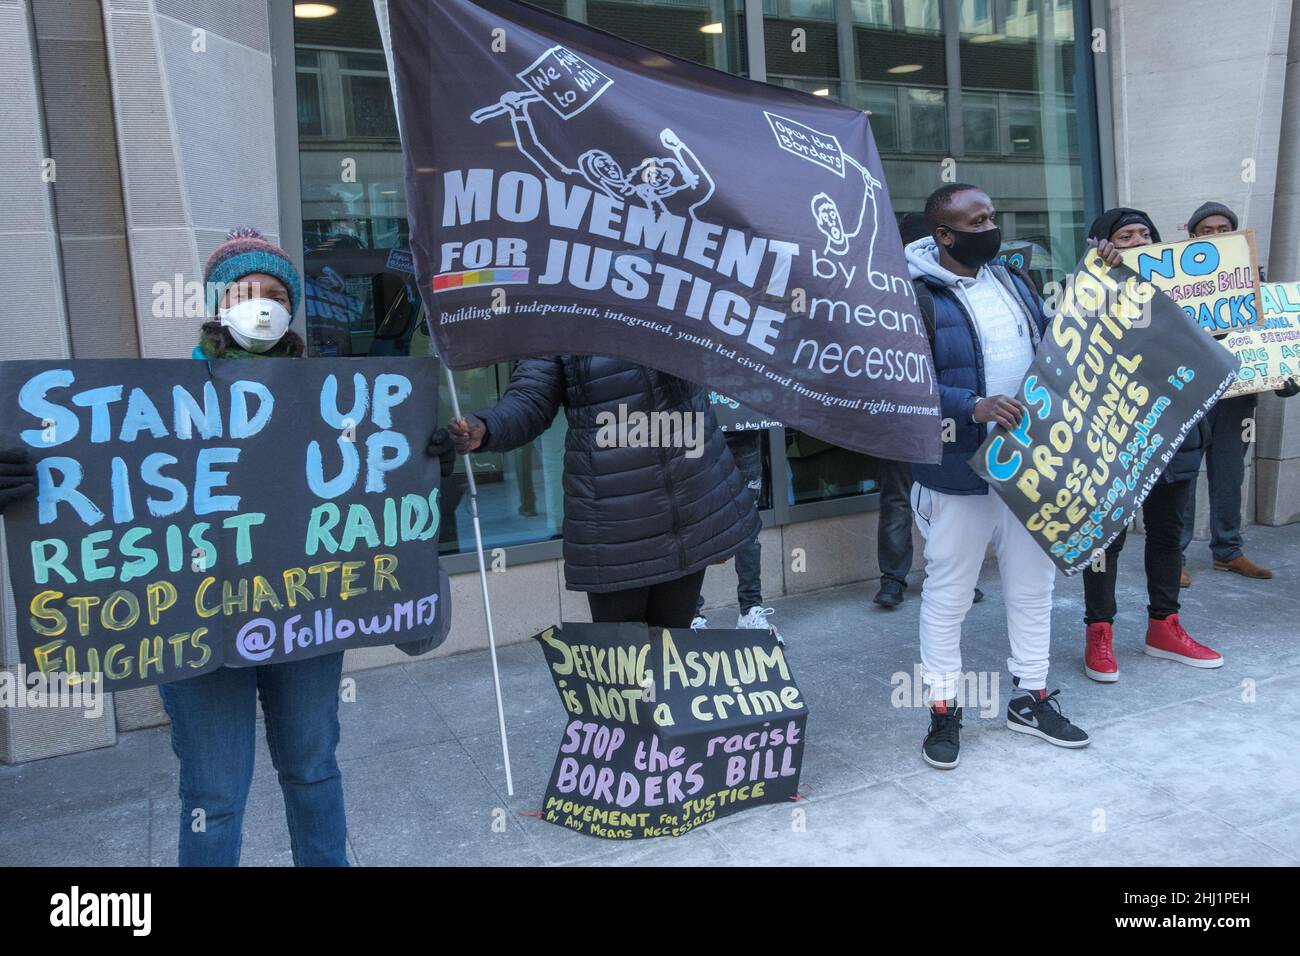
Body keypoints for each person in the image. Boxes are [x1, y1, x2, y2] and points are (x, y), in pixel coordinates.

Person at [0, 227, 452, 867]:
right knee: (214, 791)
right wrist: (25, 486)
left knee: (313, 766)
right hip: (192, 623)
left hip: (303, 612)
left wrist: (421, 465)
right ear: (217, 304)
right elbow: (96, 481)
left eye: (274, 292)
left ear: (291, 306)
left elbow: (369, 486)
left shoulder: (337, 402)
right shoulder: (155, 402)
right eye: (245, 291)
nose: (261, 303)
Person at [907, 184, 1090, 771]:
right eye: (978, 219)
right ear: (944, 233)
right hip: (955, 470)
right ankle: (942, 709)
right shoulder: (911, 295)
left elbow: (1052, 347)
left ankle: (1030, 698)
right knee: (949, 595)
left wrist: (1098, 275)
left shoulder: (1013, 279)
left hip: (1027, 463)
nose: (992, 225)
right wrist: (971, 405)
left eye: (993, 214)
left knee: (1034, 588)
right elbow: (895, 383)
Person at [449, 357, 759, 629]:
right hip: (612, 525)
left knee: (670, 662)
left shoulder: (672, 293)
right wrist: (488, 427)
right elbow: (531, 399)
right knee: (622, 670)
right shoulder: (560, 310)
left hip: (688, 508)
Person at [1082, 209, 1223, 683]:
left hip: (1179, 435)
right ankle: (1098, 631)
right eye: (1126, 235)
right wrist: (1099, 276)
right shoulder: (1090, 290)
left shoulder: (1187, 292)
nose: (1139, 240)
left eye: (1146, 233)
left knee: (1168, 535)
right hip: (1118, 437)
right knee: (1107, 541)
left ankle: (1165, 626)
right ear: (1103, 244)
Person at [1178, 201, 1300, 585]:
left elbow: (1273, 343)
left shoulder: (1256, 284)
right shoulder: (1175, 284)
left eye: (1223, 228)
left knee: (1230, 475)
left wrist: (1285, 375)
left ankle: (1228, 551)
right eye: (1206, 230)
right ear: (1192, 237)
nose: (1215, 235)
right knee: (1183, 477)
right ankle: (1172, 554)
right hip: (1189, 395)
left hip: (1236, 398)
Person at [874, 211, 983, 610]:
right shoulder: (940, 290)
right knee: (932, 498)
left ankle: (897, 581)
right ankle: (931, 578)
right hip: (926, 412)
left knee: (910, 498)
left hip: (932, 411)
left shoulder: (897, 289)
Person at [688, 429, 782, 642]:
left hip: (742, 431)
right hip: (694, 431)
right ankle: (689, 617)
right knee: (692, 527)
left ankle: (750, 610)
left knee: (748, 526)